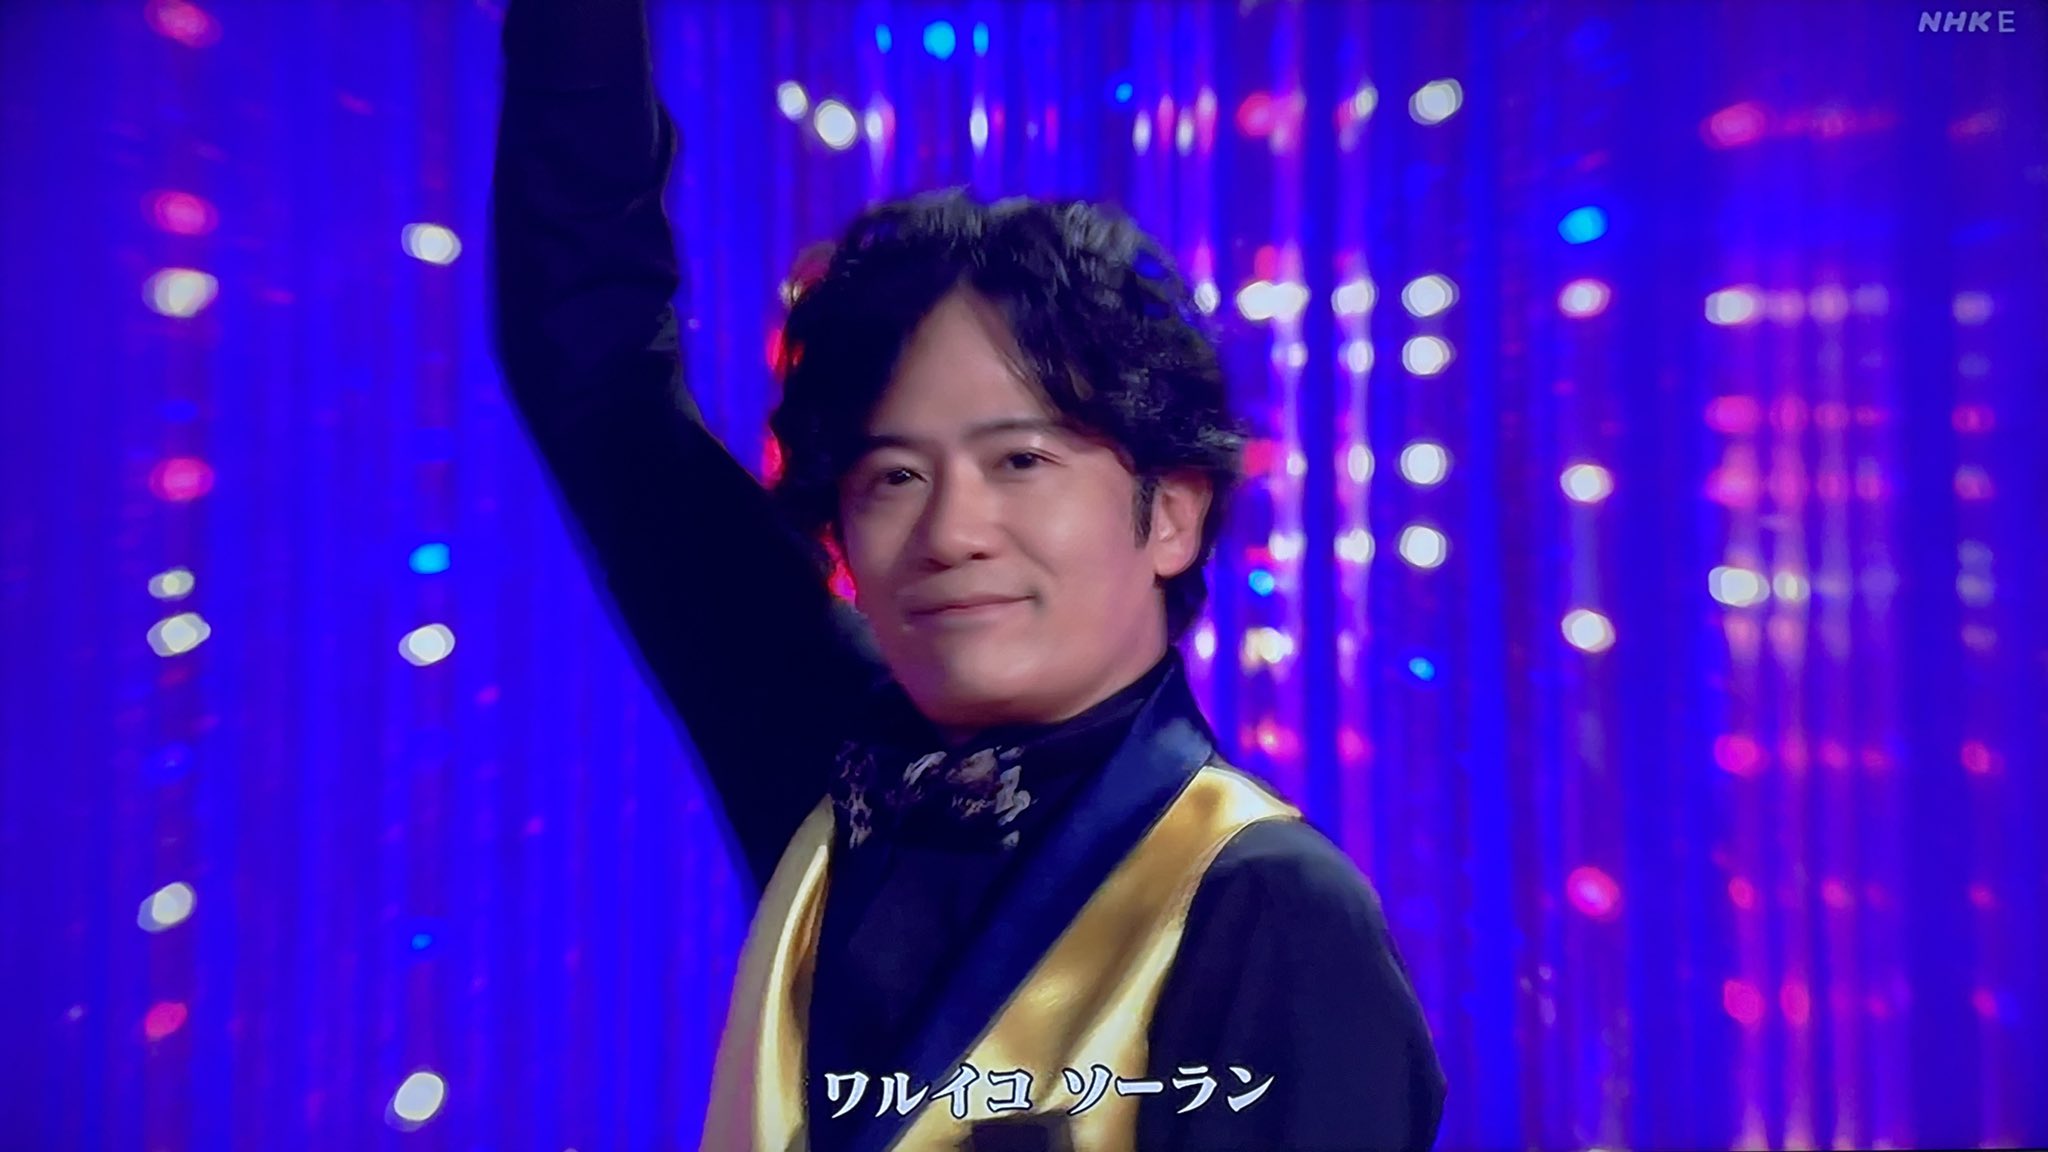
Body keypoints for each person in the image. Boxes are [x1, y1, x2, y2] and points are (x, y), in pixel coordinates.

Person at [491, 1, 1447, 1149]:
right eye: (894, 475)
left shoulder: (1264, 903)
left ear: (1170, 514)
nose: (951, 530)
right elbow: (595, 378)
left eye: (1019, 460)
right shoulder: (830, 764)